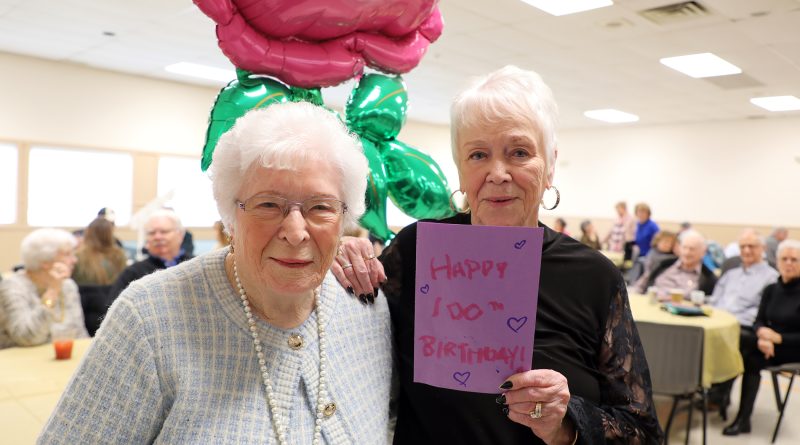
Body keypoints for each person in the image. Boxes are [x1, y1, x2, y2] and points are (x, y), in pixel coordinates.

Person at [335, 65, 661, 443]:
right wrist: (340, 257)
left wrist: (566, 424)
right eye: (478, 155)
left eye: (519, 152)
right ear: (460, 169)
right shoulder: (417, 250)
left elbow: (644, 432)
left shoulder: (592, 275)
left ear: (550, 165)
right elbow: (344, 339)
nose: (498, 173)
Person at [38, 102, 392, 443]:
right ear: (230, 216)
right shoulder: (149, 318)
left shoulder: (366, 305)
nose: (296, 231)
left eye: (320, 207)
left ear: (345, 218)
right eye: (268, 204)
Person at [723, 239, 800, 436]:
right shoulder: (772, 289)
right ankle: (741, 417)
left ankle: (725, 400)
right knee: (749, 354)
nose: (789, 263)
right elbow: (758, 321)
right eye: (785, 259)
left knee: (748, 353)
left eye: (794, 259)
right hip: (769, 345)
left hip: (793, 348)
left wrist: (779, 339)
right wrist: (763, 336)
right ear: (778, 262)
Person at [707, 229, 779, 418]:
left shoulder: (771, 277)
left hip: (746, 327)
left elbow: (763, 312)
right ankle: (703, 388)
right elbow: (715, 300)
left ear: (762, 249)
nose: (747, 250)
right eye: (743, 247)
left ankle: (718, 393)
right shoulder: (731, 273)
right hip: (718, 323)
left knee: (734, 341)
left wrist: (730, 321)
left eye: (752, 246)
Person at [0, 229, 89, 349]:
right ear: (45, 261)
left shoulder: (68, 286)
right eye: (67, 254)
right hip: (23, 362)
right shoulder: (12, 287)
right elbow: (26, 337)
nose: (74, 260)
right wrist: (52, 291)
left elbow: (80, 334)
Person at [106, 208, 191, 303]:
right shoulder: (132, 273)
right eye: (152, 233)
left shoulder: (194, 267)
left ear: (180, 234)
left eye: (164, 232)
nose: (157, 237)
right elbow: (113, 307)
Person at [72, 217, 129, 335]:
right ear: (110, 234)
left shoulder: (77, 257)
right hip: (112, 312)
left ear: (88, 233)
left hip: (85, 314)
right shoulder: (119, 255)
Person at [635, 230, 717, 296]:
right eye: (684, 247)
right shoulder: (664, 264)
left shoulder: (708, 278)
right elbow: (641, 285)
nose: (687, 252)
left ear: (703, 252)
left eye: (692, 249)